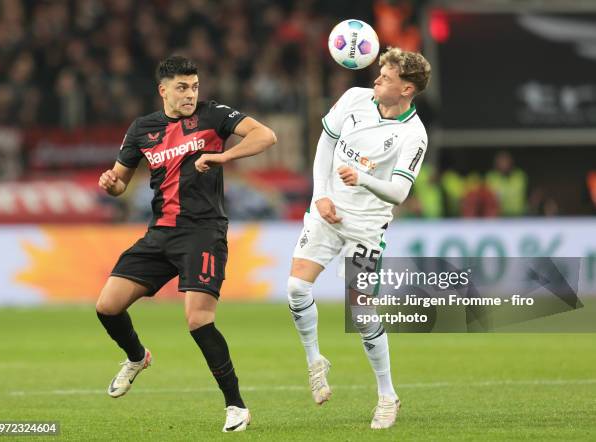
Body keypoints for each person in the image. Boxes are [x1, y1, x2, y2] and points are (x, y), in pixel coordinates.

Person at [95, 55, 276, 433]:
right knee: (107, 306)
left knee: (198, 320)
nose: (190, 94)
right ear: (163, 90)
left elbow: (265, 135)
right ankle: (137, 357)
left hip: (203, 231)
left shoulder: (214, 116)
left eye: (194, 86)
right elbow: (120, 182)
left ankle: (236, 406)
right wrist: (112, 186)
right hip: (159, 232)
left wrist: (223, 155)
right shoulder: (142, 129)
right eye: (182, 87)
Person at [288, 47, 430, 429]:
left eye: (387, 74)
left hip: (366, 228)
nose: (378, 77)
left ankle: (387, 395)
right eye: (380, 71)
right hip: (326, 213)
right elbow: (326, 144)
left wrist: (361, 178)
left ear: (407, 88)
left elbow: (400, 193)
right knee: (296, 288)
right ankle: (315, 360)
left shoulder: (413, 135)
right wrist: (321, 194)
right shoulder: (354, 99)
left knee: (361, 312)